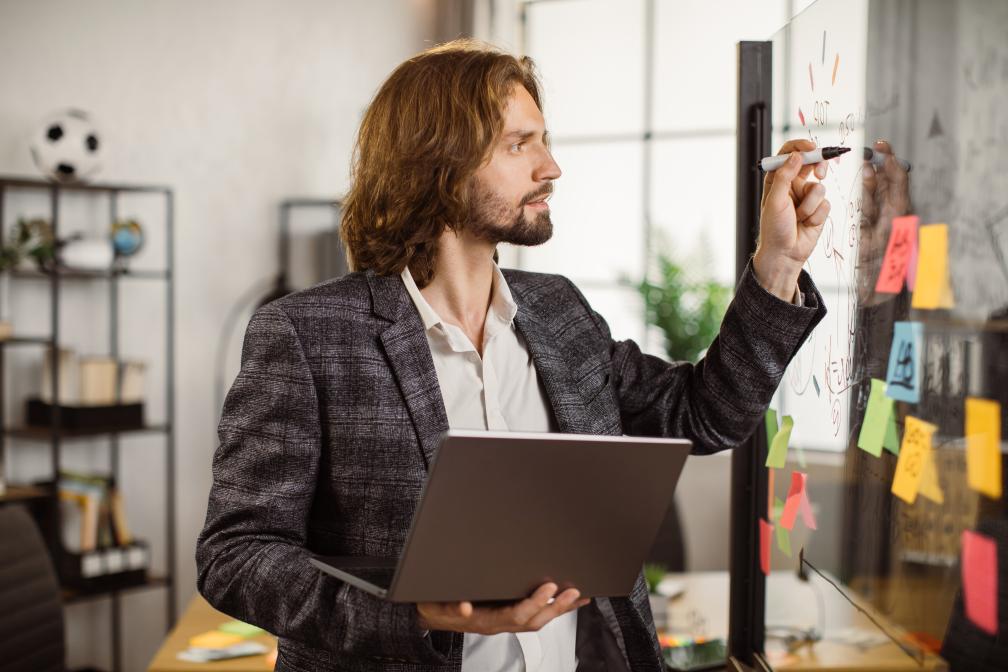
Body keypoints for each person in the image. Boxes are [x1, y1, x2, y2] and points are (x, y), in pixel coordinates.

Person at [196, 39, 829, 672]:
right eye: (518, 145)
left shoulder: (559, 313)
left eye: (543, 140)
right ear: (438, 161)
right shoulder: (307, 336)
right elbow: (237, 555)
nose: (551, 167)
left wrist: (779, 264)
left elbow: (704, 415)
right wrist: (413, 612)